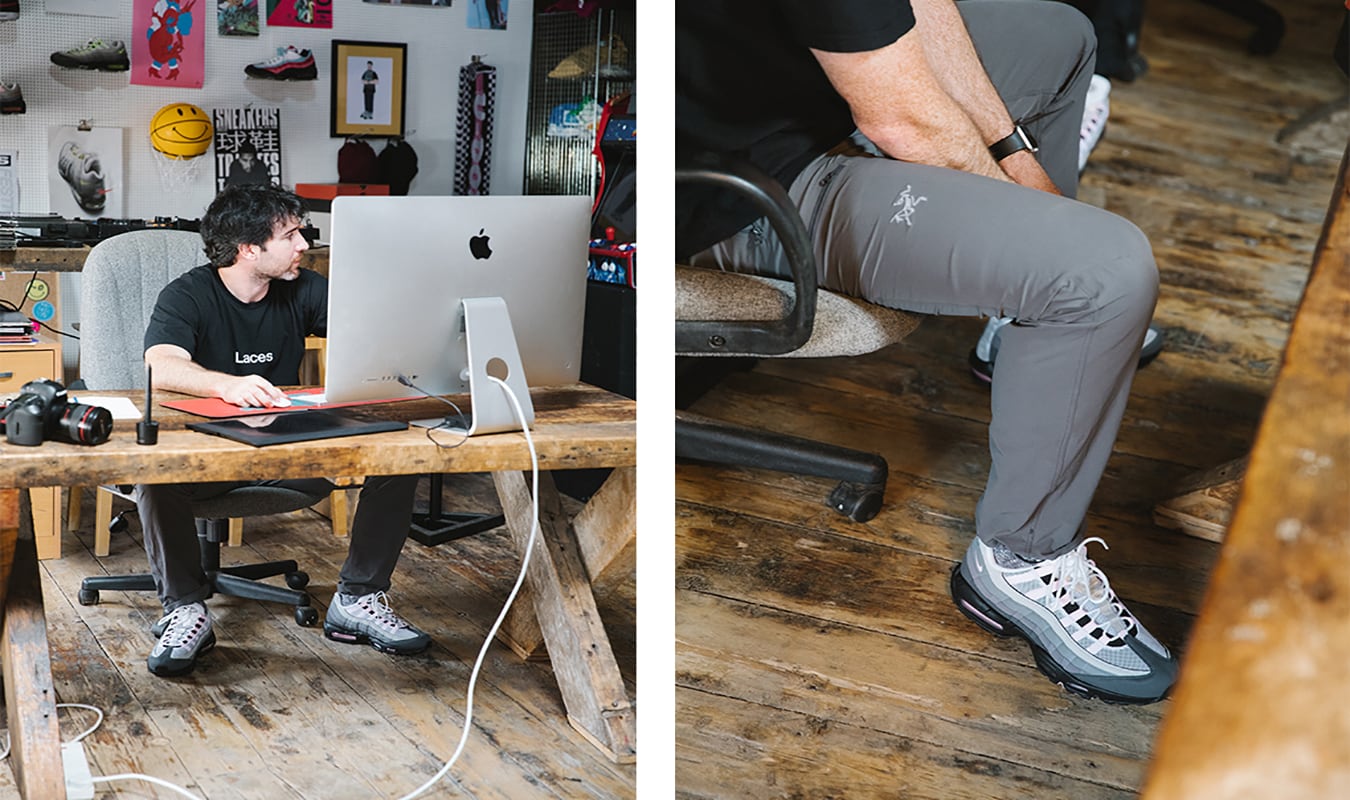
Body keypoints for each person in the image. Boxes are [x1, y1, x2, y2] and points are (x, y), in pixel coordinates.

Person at [677, 0, 1178, 704]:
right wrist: (1029, 208)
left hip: (799, 88)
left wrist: (1012, 150)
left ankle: (1035, 326)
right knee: (1105, 272)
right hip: (737, 189)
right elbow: (905, 124)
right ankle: (1019, 562)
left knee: (1061, 38)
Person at [137, 184, 428, 677]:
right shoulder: (188, 294)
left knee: (401, 456)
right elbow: (160, 365)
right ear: (249, 249)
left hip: (294, 455)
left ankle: (357, 601)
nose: (304, 245)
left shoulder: (304, 288)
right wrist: (225, 386)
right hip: (214, 459)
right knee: (154, 476)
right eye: (291, 235)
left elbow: (375, 330)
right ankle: (184, 608)